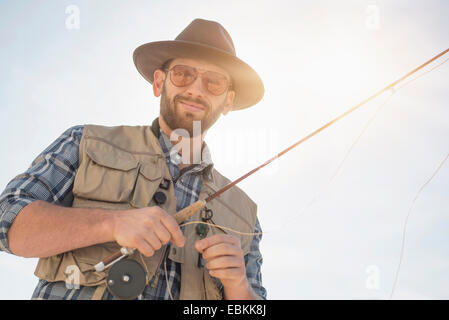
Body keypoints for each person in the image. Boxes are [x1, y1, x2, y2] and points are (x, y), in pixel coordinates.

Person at [0, 18, 266, 300]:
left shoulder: (245, 214)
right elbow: (7, 221)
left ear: (227, 101)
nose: (196, 90)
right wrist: (111, 224)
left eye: (214, 82)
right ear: (159, 82)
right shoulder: (83, 142)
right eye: (183, 74)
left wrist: (238, 286)